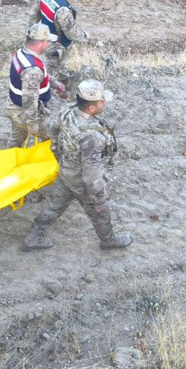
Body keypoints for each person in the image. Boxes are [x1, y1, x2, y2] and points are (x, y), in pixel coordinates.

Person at [23, 79, 133, 251]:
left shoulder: (66, 111)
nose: (104, 103)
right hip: (82, 182)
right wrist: (98, 199)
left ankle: (33, 236)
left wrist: (59, 156)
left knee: (55, 206)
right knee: (101, 212)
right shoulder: (92, 136)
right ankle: (108, 240)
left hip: (67, 172)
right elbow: (92, 175)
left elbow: (53, 131)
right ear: (91, 108)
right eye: (101, 101)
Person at [6, 24, 66, 147]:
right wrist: (33, 125)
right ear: (40, 43)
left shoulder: (21, 53)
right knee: (54, 137)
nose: (49, 44)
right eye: (47, 41)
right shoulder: (32, 69)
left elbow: (39, 76)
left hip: (15, 108)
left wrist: (55, 83)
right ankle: (54, 159)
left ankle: (9, 159)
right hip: (24, 112)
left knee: (16, 139)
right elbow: (30, 100)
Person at [28, 0, 90, 84]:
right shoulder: (63, 10)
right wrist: (85, 36)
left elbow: (33, 16)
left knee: (46, 66)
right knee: (54, 72)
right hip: (56, 47)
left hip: (42, 41)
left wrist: (34, 35)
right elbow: (72, 34)